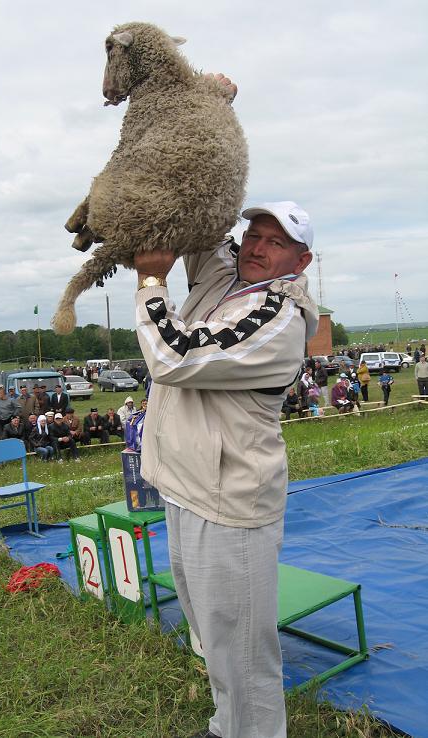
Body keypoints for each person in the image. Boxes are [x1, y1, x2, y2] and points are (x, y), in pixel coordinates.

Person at [134, 199, 317, 738]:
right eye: (254, 234)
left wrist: (150, 282)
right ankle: (226, 727)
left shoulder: (278, 318)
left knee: (242, 649)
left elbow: (173, 358)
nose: (257, 248)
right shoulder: (227, 277)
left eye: (275, 242)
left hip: (230, 502)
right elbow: (200, 224)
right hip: (186, 486)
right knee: (212, 634)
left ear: (301, 262)